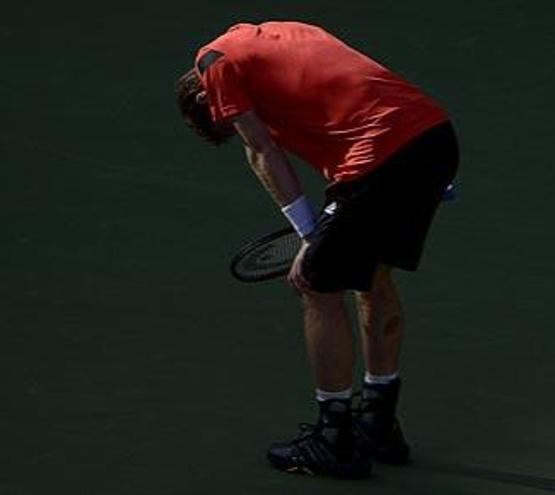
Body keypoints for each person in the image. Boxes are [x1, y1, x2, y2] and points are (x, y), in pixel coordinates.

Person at [175, 21, 458, 479]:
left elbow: (262, 150)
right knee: (373, 278)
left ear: (210, 98)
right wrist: (421, 171)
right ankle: (379, 421)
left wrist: (309, 235)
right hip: (432, 137)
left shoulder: (215, 63)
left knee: (316, 285)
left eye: (228, 119)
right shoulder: (285, 36)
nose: (237, 122)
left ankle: (333, 440)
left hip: (379, 157)